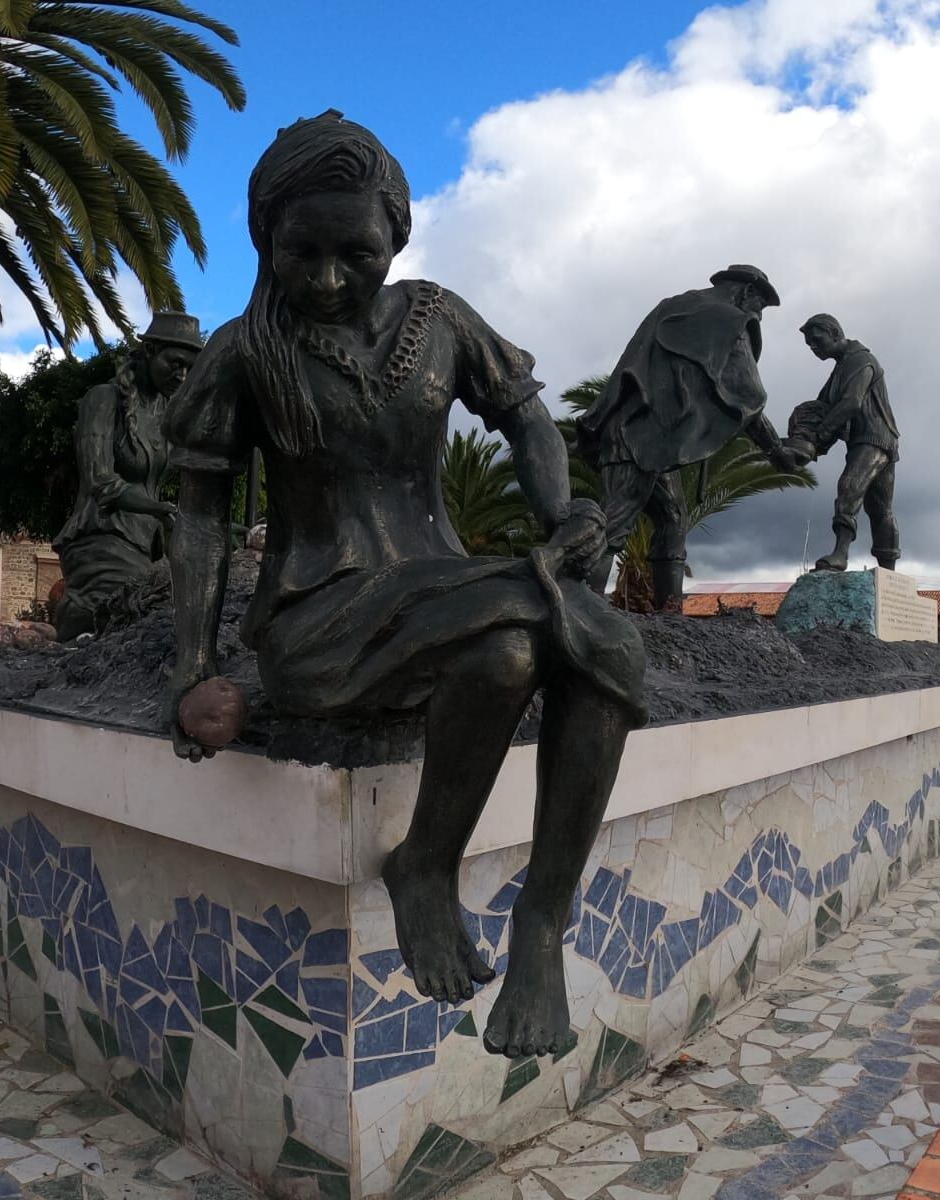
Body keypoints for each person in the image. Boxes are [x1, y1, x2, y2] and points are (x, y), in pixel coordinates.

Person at [164, 111, 647, 1058]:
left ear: (397, 236)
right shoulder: (243, 352)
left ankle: (541, 923)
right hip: (317, 618)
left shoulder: (439, 318)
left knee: (600, 650)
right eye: (303, 252)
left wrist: (561, 514)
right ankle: (424, 864)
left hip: (442, 586)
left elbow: (529, 421)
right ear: (266, 238)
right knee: (513, 648)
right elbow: (197, 514)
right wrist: (192, 669)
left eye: (359, 251)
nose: (330, 277)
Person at [574, 266, 801, 611]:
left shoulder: (675, 306)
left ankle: (671, 611)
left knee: (673, 518)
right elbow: (747, 398)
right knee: (616, 520)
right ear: (746, 292)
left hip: (648, 437)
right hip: (634, 436)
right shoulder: (728, 321)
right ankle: (583, 611)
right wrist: (778, 452)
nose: (758, 315)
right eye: (760, 306)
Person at [52, 313, 202, 640]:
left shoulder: (169, 415)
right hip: (102, 537)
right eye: (175, 363)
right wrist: (158, 509)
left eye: (190, 368)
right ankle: (77, 615)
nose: (182, 375)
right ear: (149, 350)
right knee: (127, 614)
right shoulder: (103, 399)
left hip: (148, 544)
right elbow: (98, 482)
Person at [785, 313, 901, 572]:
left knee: (850, 485)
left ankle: (840, 553)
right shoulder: (841, 367)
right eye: (809, 344)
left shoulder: (860, 360)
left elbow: (850, 403)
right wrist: (803, 441)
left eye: (816, 340)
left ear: (835, 333)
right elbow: (823, 408)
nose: (814, 347)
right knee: (879, 508)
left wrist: (817, 437)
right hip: (865, 440)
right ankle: (888, 572)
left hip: (875, 437)